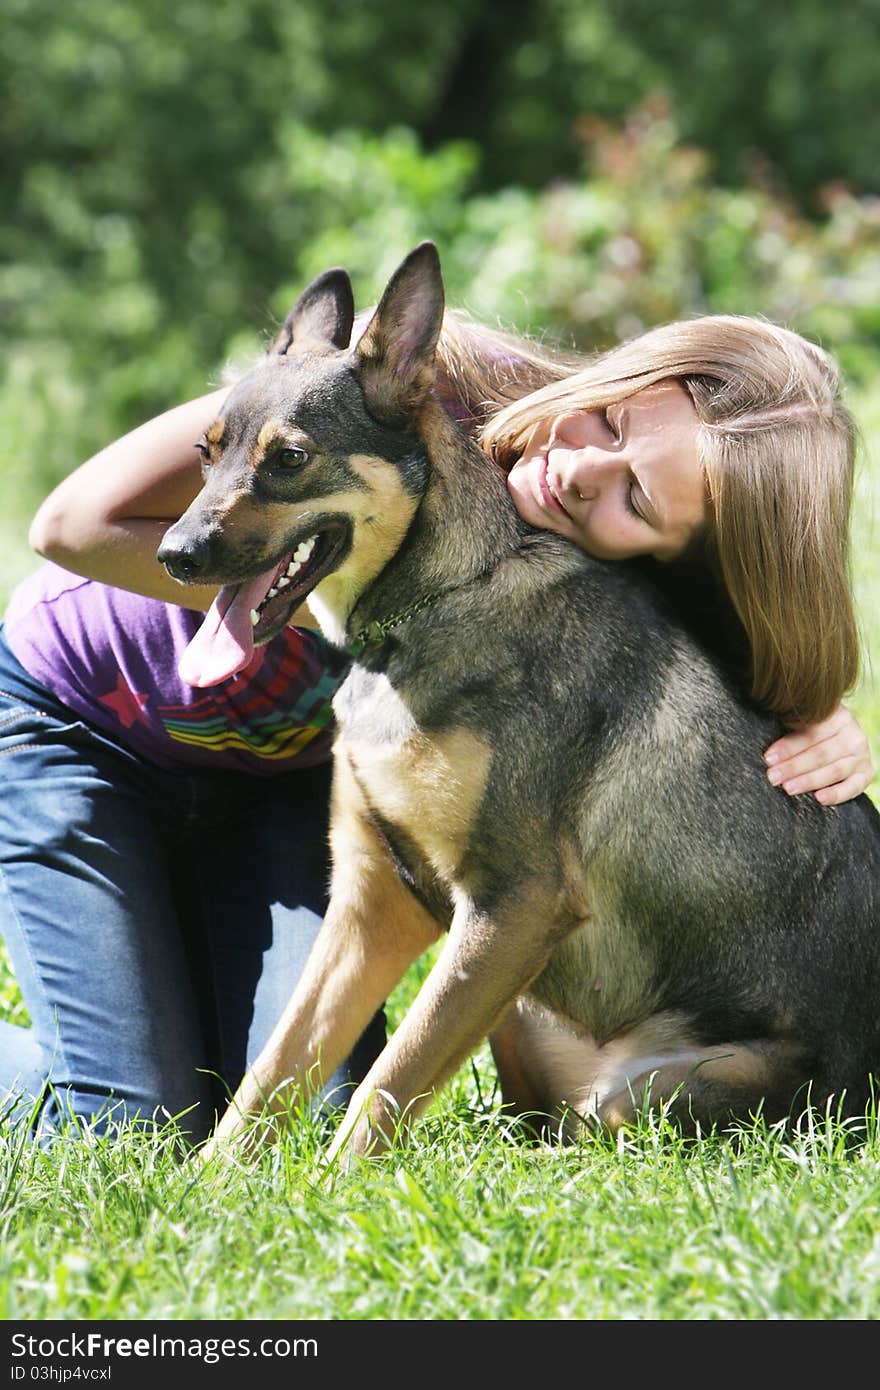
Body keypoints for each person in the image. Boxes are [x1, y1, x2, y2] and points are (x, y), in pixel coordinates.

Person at [0, 306, 873, 1146]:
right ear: (618, 376)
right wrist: (360, 597)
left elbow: (728, 669)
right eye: (607, 418)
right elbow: (68, 522)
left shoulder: (604, 590)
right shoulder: (403, 384)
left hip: (275, 788)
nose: (581, 468)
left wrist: (822, 721)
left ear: (680, 559)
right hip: (81, 731)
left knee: (307, 1102)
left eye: (637, 500)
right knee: (122, 1118)